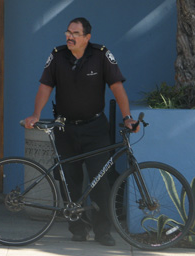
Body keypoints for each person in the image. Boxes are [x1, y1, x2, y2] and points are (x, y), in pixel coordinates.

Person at [24, 17, 139, 246]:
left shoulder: (101, 55)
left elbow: (117, 87)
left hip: (95, 128)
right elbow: (45, 87)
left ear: (87, 37)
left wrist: (127, 118)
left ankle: (103, 231)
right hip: (65, 128)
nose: (70, 36)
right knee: (70, 181)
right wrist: (36, 114)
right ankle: (77, 227)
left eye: (75, 33)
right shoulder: (57, 56)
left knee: (100, 181)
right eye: (68, 32)